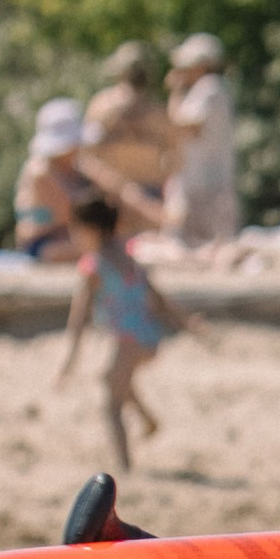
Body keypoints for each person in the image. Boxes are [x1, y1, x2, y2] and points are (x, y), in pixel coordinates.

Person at [59, 192, 187, 476]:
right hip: (149, 336)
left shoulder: (94, 266)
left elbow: (78, 317)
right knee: (112, 379)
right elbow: (157, 296)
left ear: (89, 229)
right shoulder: (128, 256)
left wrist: (70, 358)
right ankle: (148, 419)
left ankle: (125, 469)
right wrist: (186, 323)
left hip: (127, 340)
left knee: (112, 404)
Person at [81, 45, 177, 230]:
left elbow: (86, 158)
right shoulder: (159, 113)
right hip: (133, 205)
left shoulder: (102, 107)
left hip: (117, 204)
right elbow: (175, 161)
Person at [163, 35, 241, 251]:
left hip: (206, 186)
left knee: (201, 249)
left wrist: (175, 91)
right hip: (204, 183)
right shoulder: (209, 89)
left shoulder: (209, 88)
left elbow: (183, 127)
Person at [14, 100, 100, 257]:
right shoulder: (40, 172)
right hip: (43, 243)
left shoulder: (73, 167)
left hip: (66, 237)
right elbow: (77, 211)